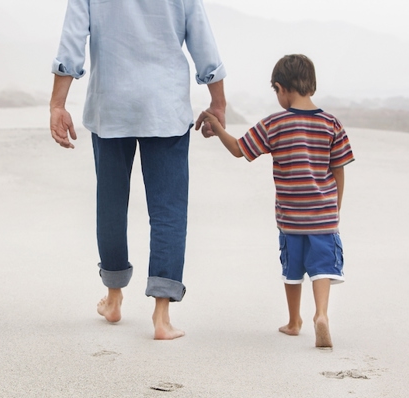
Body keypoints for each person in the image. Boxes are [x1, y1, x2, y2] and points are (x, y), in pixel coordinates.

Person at [50, 0, 226, 340]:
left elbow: (71, 43)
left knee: (111, 204)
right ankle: (161, 315)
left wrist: (58, 104)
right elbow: (203, 41)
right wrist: (217, 101)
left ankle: (114, 297)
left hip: (111, 106)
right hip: (166, 107)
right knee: (168, 210)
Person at [197, 54, 354, 348]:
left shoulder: (275, 123)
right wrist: (336, 207)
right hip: (324, 217)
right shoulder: (331, 124)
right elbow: (339, 169)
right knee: (322, 268)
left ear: (281, 88)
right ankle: (321, 314)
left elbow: (239, 149)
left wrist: (216, 126)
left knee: (292, 270)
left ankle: (294, 322)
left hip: (290, 217)